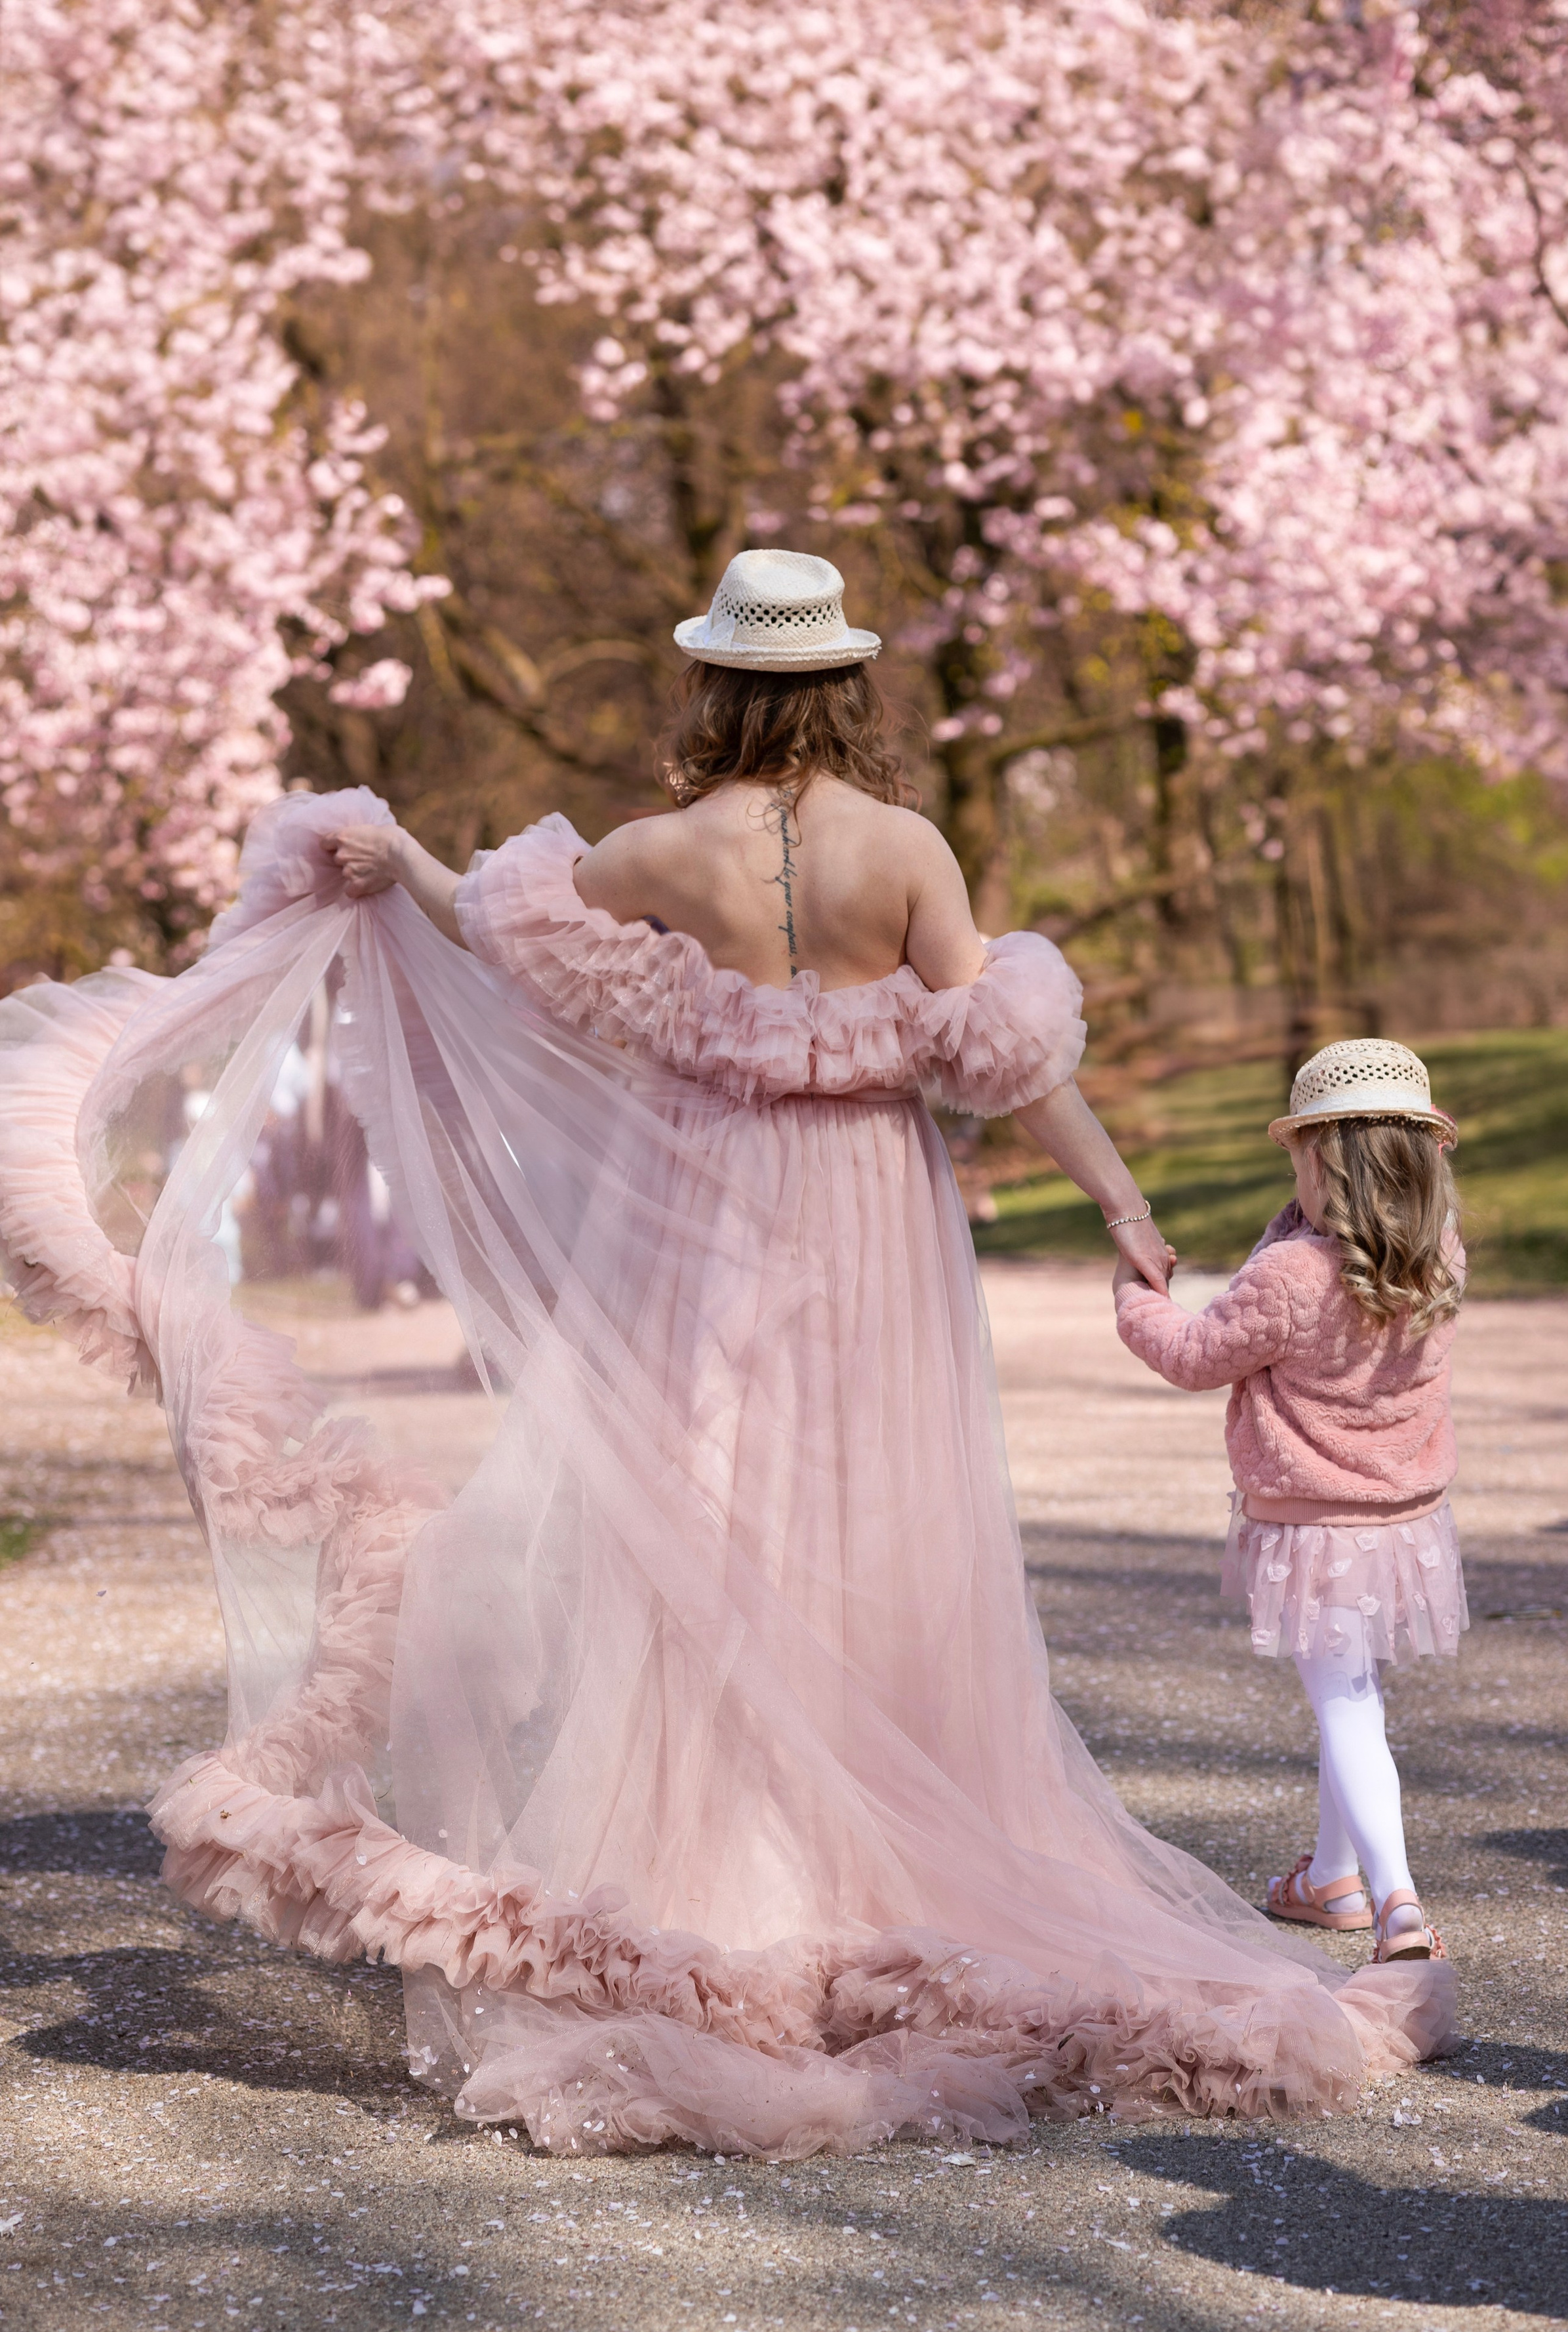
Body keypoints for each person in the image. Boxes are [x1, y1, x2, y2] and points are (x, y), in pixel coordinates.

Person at [0, 554, 1453, 2156]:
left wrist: (401, 855)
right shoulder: (903, 848)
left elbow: (498, 941)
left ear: (719, 687)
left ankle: (735, 1866)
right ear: (841, 685)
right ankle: (880, 1856)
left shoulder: (659, 849)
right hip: (871, 1219)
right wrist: (1119, 1203)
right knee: (874, 1530)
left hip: (699, 1216)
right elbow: (1005, 1056)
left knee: (707, 1524)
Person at [1113, 1038, 1464, 1966]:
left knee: (1347, 1704)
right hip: (1400, 1518)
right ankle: (1334, 1879)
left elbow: (1194, 1354)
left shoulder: (1293, 1276)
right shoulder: (1438, 1257)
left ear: (1320, 1160)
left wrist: (1130, 1297)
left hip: (1319, 1526)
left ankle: (1396, 1907)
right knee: (1348, 1689)